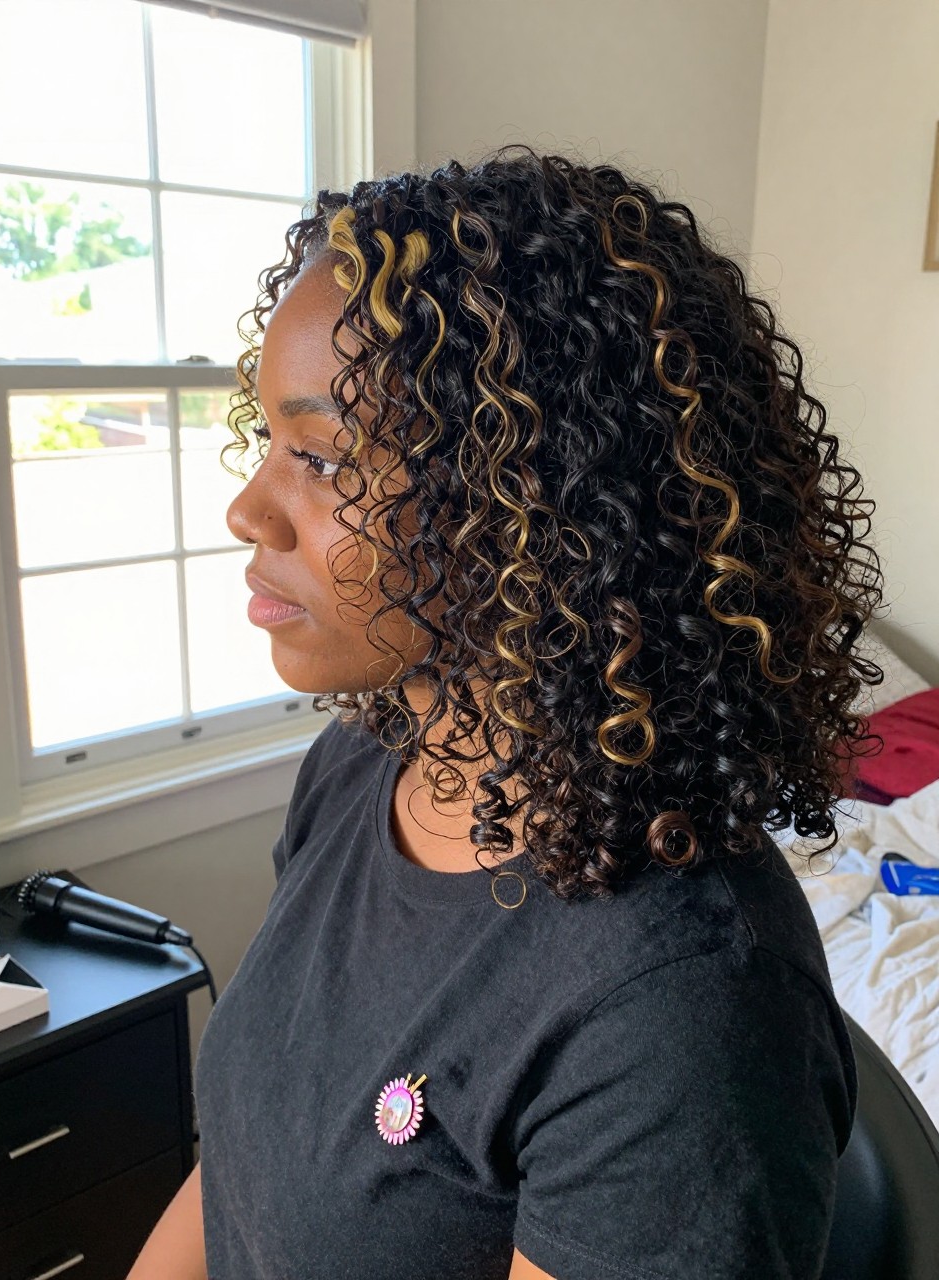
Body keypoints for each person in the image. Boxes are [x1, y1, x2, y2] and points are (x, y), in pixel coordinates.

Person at [126, 144, 883, 1280]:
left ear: (538, 501)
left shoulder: (680, 1004)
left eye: (323, 459)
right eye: (267, 444)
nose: (248, 508)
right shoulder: (361, 764)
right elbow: (234, 1170)